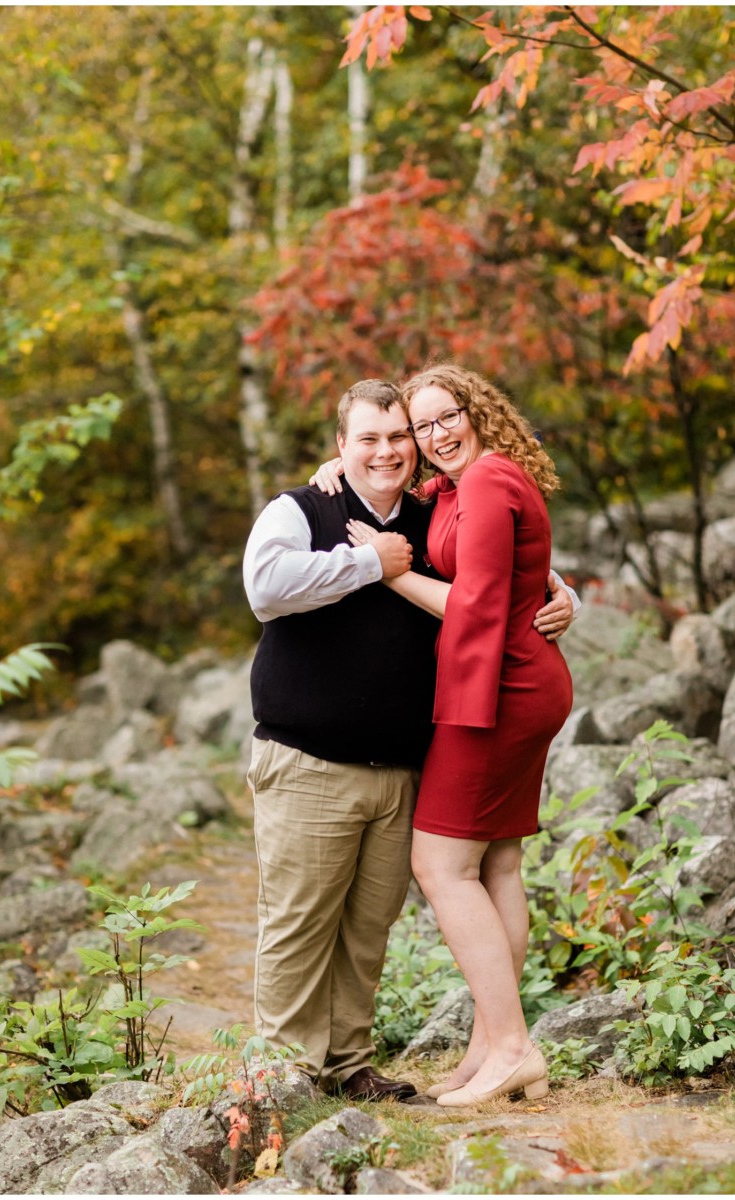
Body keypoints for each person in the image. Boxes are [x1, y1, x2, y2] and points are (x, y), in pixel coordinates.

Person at [243, 378, 575, 1102]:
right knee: (300, 925)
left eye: (402, 435)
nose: (390, 449)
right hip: (309, 761)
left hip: (401, 762)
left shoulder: (433, 510)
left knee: (368, 929)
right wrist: (371, 563)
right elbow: (264, 587)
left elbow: (507, 564)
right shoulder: (303, 508)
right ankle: (282, 1082)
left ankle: (350, 1066)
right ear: (340, 447)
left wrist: (559, 593)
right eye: (370, 438)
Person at [343, 364, 574, 1107]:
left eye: (448, 418)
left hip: (500, 691)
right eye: (422, 426)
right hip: (515, 681)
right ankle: (489, 1048)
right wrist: (338, 465)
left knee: (440, 865)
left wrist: (386, 572)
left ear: (478, 413)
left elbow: (474, 602)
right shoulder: (465, 483)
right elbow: (503, 554)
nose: (435, 436)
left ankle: (510, 1045)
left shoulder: (484, 481)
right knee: (496, 865)